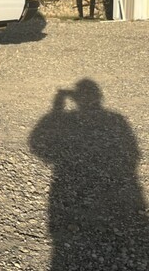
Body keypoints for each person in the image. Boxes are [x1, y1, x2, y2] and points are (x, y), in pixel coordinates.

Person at [29, 79, 149, 270]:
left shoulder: (114, 119)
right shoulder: (116, 119)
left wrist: (57, 107)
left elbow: (36, 143)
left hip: (68, 181)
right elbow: (133, 153)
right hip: (121, 185)